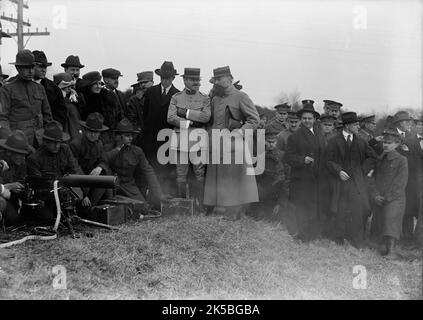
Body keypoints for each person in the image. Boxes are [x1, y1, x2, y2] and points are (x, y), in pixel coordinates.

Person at [204, 66, 259, 220]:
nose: (218, 83)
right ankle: (219, 208)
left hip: (235, 146)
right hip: (216, 145)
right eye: (216, 80)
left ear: (229, 78)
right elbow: (212, 121)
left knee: (233, 178)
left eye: (220, 79)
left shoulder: (241, 96)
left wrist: (240, 132)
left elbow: (254, 119)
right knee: (218, 178)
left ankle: (234, 211)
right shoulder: (214, 99)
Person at [326, 112, 376, 248]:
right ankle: (338, 239)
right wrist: (339, 171)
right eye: (355, 124)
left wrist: (362, 171)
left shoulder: (361, 141)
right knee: (340, 210)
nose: (358, 127)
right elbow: (328, 161)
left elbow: (372, 157)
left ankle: (357, 240)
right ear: (347, 126)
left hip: (356, 184)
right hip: (340, 183)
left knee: (358, 211)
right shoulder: (334, 141)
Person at [95, 119, 168, 207]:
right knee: (110, 208)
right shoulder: (108, 149)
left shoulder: (137, 151)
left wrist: (159, 194)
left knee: (143, 208)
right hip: (112, 186)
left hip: (129, 186)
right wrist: (117, 150)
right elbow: (103, 163)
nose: (131, 138)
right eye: (127, 136)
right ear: (119, 136)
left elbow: (148, 171)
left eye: (131, 135)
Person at [167, 68, 211, 212]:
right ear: (185, 80)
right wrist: (191, 122)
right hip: (181, 142)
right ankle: (182, 205)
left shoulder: (205, 98)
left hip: (198, 141)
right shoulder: (176, 97)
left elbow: (206, 117)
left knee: (199, 173)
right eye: (192, 80)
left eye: (197, 80)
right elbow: (170, 118)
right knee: (181, 173)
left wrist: (185, 113)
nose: (196, 82)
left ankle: (200, 205)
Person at [285, 101, 326, 241]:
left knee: (313, 207)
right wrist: (303, 159)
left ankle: (312, 234)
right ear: (301, 120)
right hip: (301, 180)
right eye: (304, 118)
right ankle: (303, 236)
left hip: (317, 178)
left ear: (315, 119)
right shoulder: (294, 137)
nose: (307, 121)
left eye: (310, 118)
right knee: (302, 207)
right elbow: (288, 157)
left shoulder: (320, 135)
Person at [27, 121, 83, 223]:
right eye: (54, 142)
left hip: (65, 193)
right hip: (46, 198)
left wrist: (80, 191)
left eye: (59, 142)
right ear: (46, 142)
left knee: (82, 207)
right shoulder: (35, 159)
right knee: (47, 218)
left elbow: (74, 169)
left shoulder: (65, 149)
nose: (57, 146)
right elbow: (38, 187)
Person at [139, 61, 180, 195]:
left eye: (167, 78)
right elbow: (145, 115)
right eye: (162, 78)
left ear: (173, 78)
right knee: (150, 170)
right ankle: (151, 199)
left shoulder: (177, 95)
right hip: (150, 139)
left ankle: (166, 198)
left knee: (166, 170)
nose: (165, 81)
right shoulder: (150, 92)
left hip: (167, 139)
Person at [0, 50, 52, 147]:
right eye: (26, 68)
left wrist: (49, 138)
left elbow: (47, 116)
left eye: (32, 67)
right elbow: (3, 118)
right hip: (18, 141)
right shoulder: (6, 90)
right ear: (18, 68)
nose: (31, 71)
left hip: (39, 141)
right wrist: (10, 140)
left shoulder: (40, 88)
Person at [369, 129, 408, 257]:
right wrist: (376, 195)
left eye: (389, 143)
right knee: (380, 220)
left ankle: (391, 250)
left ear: (397, 144)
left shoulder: (402, 160)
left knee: (391, 220)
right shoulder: (380, 159)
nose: (386, 145)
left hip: (395, 198)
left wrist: (387, 198)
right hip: (380, 197)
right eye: (385, 142)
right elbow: (373, 178)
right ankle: (381, 245)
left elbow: (400, 184)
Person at [391, 111, 423, 247]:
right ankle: (407, 237)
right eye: (420, 125)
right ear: (417, 126)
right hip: (411, 181)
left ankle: (419, 241)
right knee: (409, 210)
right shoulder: (409, 140)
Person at [70, 112, 111, 207]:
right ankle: (89, 210)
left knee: (106, 177)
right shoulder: (76, 145)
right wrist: (84, 194)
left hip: (93, 180)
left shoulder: (99, 144)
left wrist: (99, 167)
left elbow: (104, 161)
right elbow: (74, 169)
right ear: (85, 130)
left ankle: (105, 207)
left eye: (96, 132)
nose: (92, 135)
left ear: (100, 133)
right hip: (79, 183)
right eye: (90, 131)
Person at [78, 71, 122, 150]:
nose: (98, 86)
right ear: (88, 86)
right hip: (88, 139)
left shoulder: (109, 98)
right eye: (95, 84)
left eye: (99, 83)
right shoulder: (82, 100)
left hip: (108, 139)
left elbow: (119, 118)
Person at [252, 128, 286, 220]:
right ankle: (259, 210)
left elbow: (285, 173)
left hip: (276, 185)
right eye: (269, 141)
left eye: (273, 142)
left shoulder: (282, 155)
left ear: (277, 142)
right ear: (264, 141)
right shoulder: (259, 154)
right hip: (262, 184)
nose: (271, 144)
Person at [32, 50, 68, 129]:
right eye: (40, 66)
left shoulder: (54, 89)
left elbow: (61, 115)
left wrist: (51, 130)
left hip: (47, 134)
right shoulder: (21, 85)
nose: (44, 70)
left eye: (45, 67)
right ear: (31, 66)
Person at [0, 130, 29, 226]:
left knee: (15, 220)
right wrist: (7, 186)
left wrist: (20, 189)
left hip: (12, 198)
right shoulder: (1, 162)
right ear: (9, 152)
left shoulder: (22, 164)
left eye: (24, 154)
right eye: (19, 154)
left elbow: (22, 181)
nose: (23, 158)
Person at [53, 72, 82, 140]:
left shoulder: (73, 99)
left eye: (70, 86)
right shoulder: (56, 101)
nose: (69, 89)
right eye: (66, 87)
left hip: (75, 132)